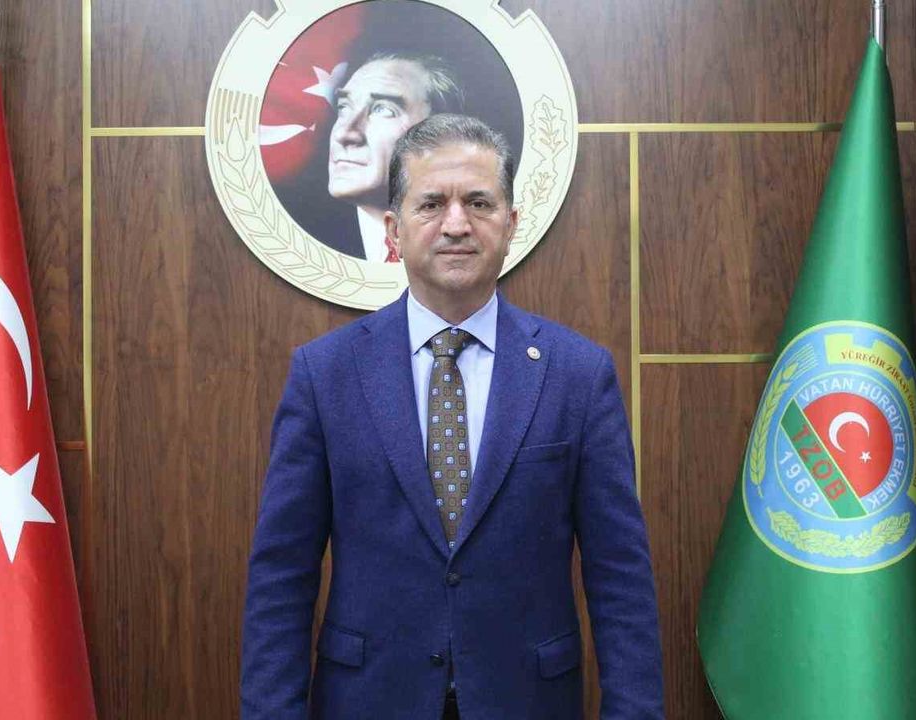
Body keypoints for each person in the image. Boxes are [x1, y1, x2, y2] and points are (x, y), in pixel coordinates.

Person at [239, 114, 664, 719]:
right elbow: (282, 575)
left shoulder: (577, 374)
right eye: (432, 203)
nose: (457, 224)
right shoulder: (324, 373)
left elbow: (620, 574)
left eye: (479, 203)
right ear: (394, 229)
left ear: (511, 223)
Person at [319, 52, 463, 261]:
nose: (344, 134)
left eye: (384, 110)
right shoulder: (301, 239)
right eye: (344, 108)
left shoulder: (476, 234)